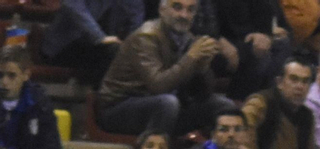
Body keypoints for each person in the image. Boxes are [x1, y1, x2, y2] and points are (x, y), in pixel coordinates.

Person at [96, 0, 234, 140]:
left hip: (166, 108)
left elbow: (203, 94)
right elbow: (158, 86)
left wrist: (202, 68)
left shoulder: (189, 39)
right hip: (120, 108)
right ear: (162, 10)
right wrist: (191, 58)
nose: (184, 15)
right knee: (167, 103)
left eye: (190, 10)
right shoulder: (145, 37)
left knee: (223, 105)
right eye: (177, 7)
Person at [40, 0, 140, 85]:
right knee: (112, 52)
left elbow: (135, 15)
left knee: (127, 54)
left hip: (96, 46)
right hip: (63, 47)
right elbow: (73, 6)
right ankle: (100, 100)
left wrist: (129, 44)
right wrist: (99, 37)